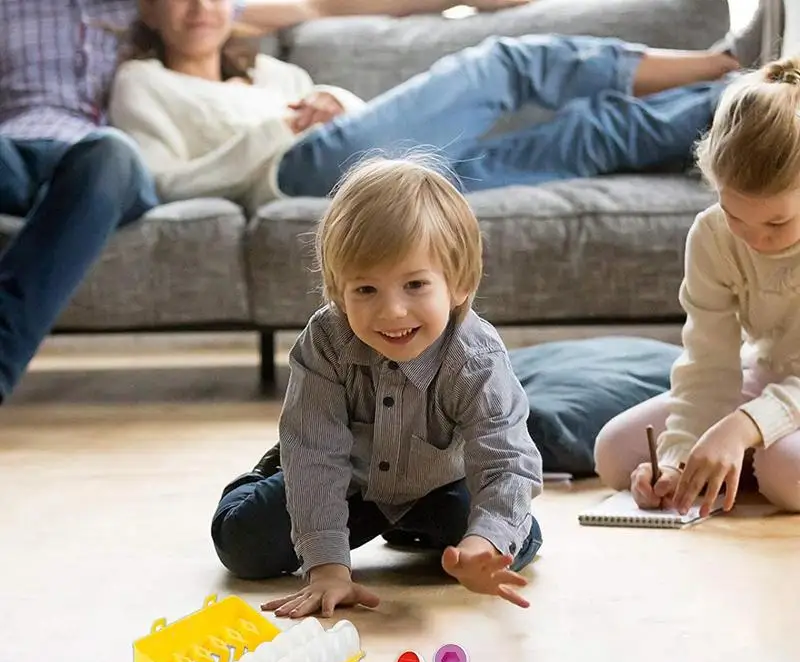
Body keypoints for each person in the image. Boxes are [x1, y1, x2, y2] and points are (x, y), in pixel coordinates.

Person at [0, 0, 490, 405]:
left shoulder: (144, 12)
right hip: (13, 147)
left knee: (112, 154)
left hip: (95, 164)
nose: (201, 8)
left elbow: (317, 6)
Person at [211, 156, 544, 617]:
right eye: (366, 290)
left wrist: (481, 543)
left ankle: (415, 526)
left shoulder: (476, 358)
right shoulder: (327, 341)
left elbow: (506, 460)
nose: (391, 312)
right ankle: (272, 468)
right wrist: (327, 567)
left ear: (460, 284)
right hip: (346, 480)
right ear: (338, 291)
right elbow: (317, 456)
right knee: (242, 544)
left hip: (439, 484)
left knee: (515, 542)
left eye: (415, 285)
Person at [108, 0, 755, 215]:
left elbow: (370, 128)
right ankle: (725, 57)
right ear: (148, 9)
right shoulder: (143, 82)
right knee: (503, 65)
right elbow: (159, 184)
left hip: (380, 180)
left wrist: (338, 102)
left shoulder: (276, 71)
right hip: (300, 174)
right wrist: (273, 132)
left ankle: (755, 96)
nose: (200, 7)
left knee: (587, 136)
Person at [594, 56, 800, 518]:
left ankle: (751, 456)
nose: (752, 237)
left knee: (790, 475)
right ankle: (740, 461)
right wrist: (676, 459)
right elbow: (708, 364)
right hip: (765, 378)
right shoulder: (711, 234)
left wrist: (740, 428)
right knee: (614, 453)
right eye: (734, 213)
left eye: (776, 222)